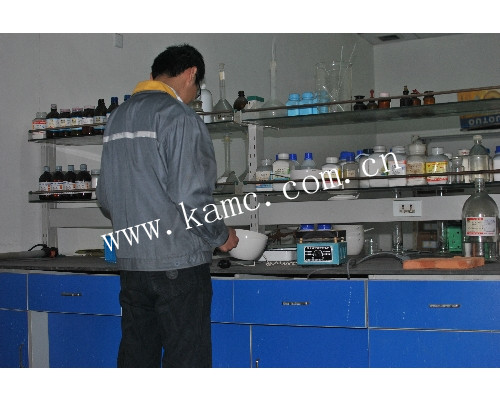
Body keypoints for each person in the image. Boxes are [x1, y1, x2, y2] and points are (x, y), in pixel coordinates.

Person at [96, 44, 239, 368]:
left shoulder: (117, 118)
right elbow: (190, 197)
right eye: (197, 87)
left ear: (154, 75)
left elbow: (105, 196)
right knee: (186, 361)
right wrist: (220, 236)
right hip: (179, 267)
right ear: (191, 74)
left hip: (132, 265)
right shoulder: (179, 116)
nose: (194, 96)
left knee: (137, 358)